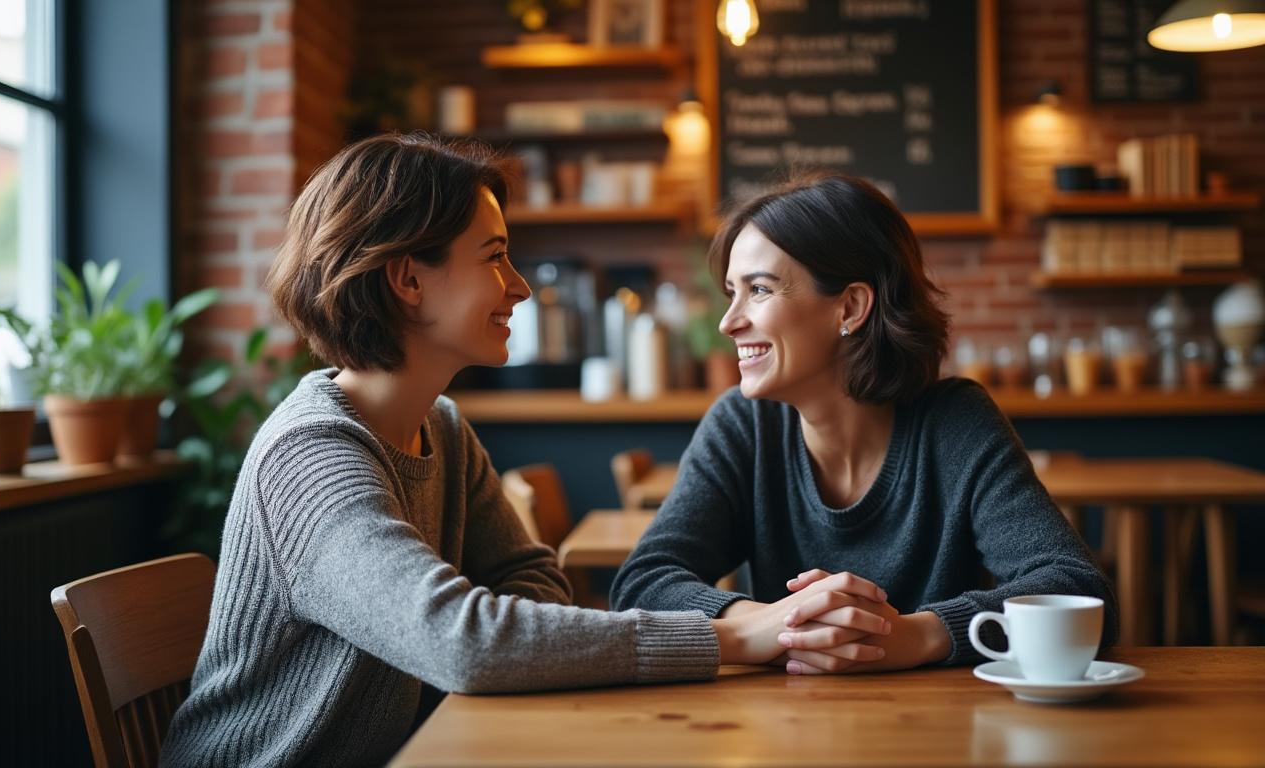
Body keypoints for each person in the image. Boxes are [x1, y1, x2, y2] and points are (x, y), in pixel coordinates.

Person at [159, 135, 878, 767]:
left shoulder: (438, 426)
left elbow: (533, 583)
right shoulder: (310, 456)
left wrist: (501, 637)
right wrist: (729, 637)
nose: (521, 287)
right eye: (496, 258)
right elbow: (465, 642)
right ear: (408, 279)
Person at [611, 172, 1118, 675]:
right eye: (731, 292)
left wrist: (918, 635)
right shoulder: (742, 426)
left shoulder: (954, 423)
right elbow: (643, 582)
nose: (729, 321)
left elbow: (1078, 591)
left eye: (759, 290)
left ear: (850, 307)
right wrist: (769, 624)